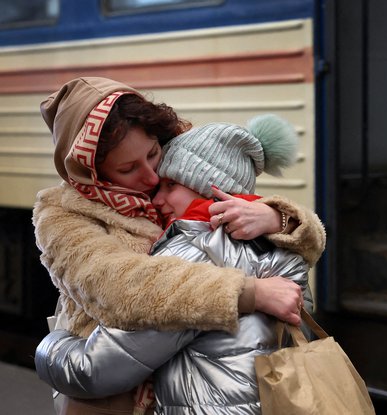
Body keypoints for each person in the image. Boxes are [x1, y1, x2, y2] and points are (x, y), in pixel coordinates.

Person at [33, 77, 325, 414]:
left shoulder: (187, 177)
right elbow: (119, 287)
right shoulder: (63, 213)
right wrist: (246, 292)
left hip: (171, 388)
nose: (152, 178)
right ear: (92, 172)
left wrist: (276, 216)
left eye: (154, 154)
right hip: (116, 401)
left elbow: (302, 241)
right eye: (128, 169)